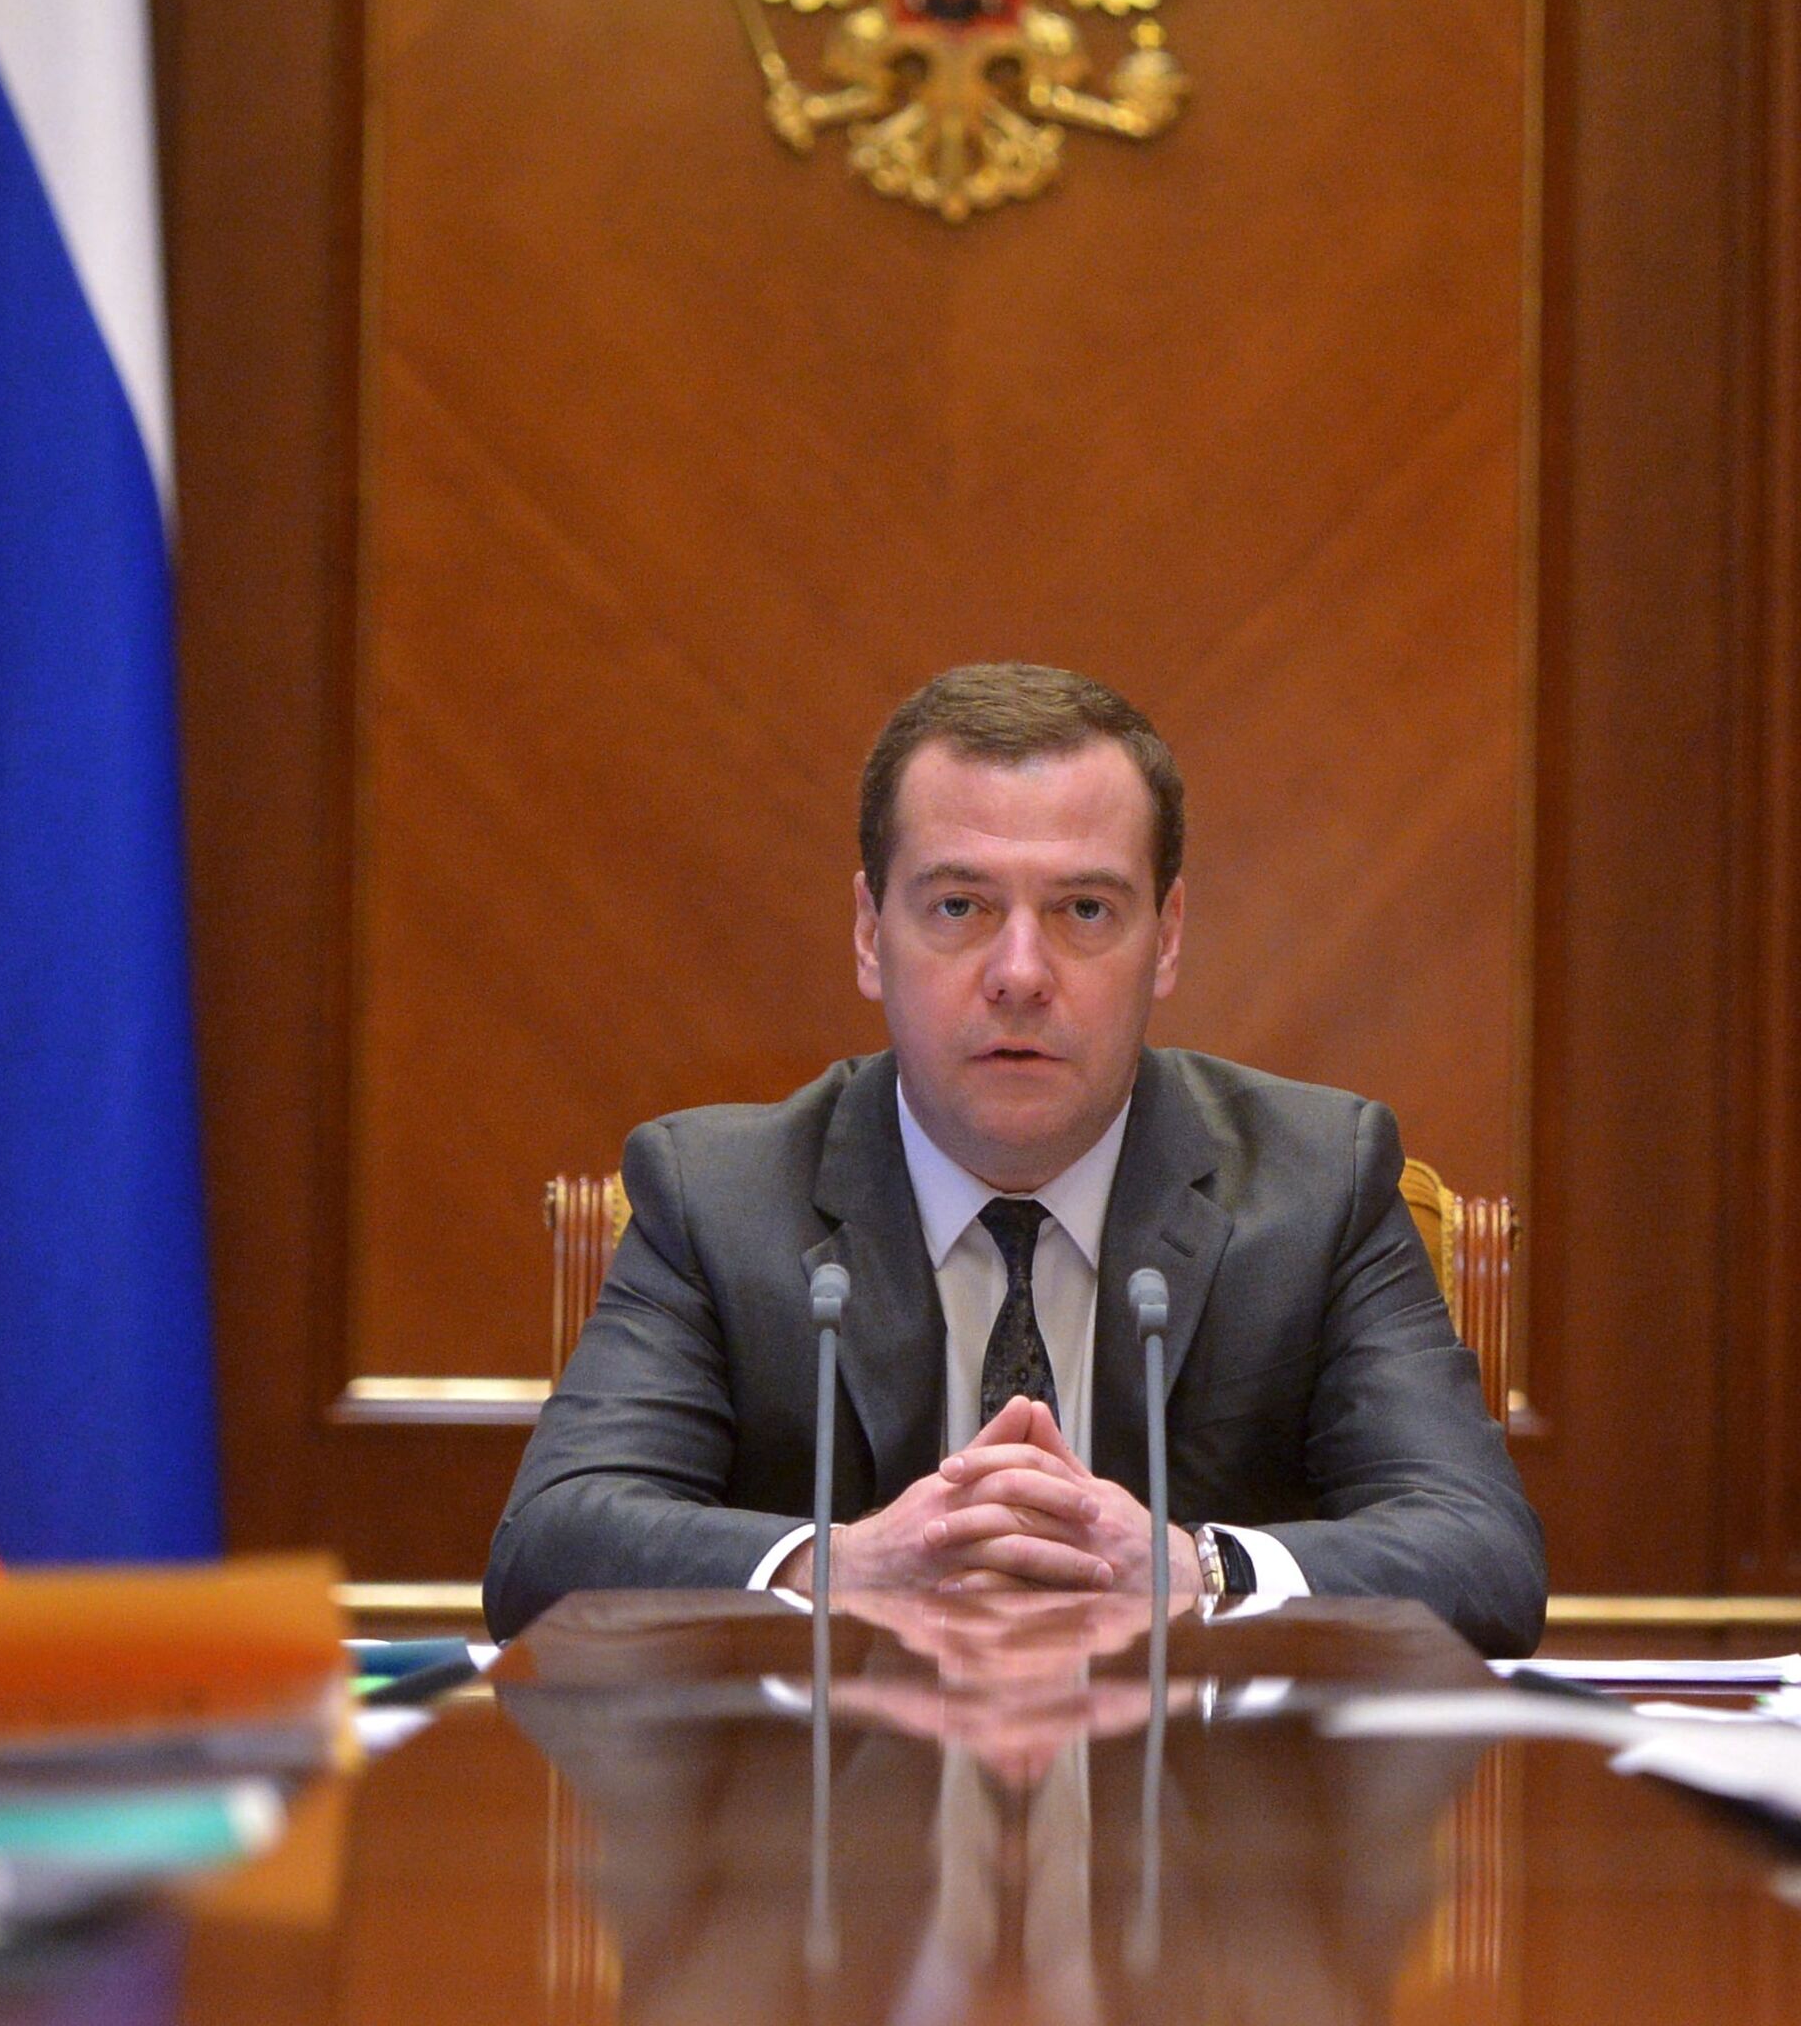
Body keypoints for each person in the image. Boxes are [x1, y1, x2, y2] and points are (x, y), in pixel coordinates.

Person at [484, 664, 1545, 1651]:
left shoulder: (1319, 1186)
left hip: (1197, 1792)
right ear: (870, 933)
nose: (1021, 973)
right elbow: (552, 1548)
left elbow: (1481, 1556)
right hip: (835, 1791)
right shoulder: (717, 1199)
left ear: (1168, 936)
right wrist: (841, 1564)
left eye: (1085, 910)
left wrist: (1194, 1568)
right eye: (960, 907)